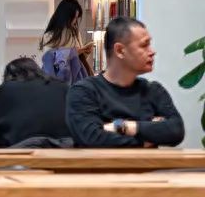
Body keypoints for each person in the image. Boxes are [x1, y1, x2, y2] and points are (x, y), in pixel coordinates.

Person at [67, 16, 185, 149]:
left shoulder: (153, 91)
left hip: (148, 169)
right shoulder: (84, 91)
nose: (152, 52)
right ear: (120, 50)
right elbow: (91, 138)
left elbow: (176, 130)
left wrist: (122, 126)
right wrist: (145, 139)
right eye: (144, 45)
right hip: (100, 169)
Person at [0, 54, 72, 148]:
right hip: (65, 151)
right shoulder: (62, 87)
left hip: (22, 154)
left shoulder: (8, 89)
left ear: (9, 75)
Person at [39, 0, 94, 84]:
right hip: (59, 82)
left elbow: (77, 60)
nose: (75, 21)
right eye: (74, 17)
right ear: (66, 16)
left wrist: (85, 52)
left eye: (77, 18)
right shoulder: (50, 36)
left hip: (77, 79)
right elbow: (48, 61)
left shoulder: (75, 33)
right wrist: (72, 52)